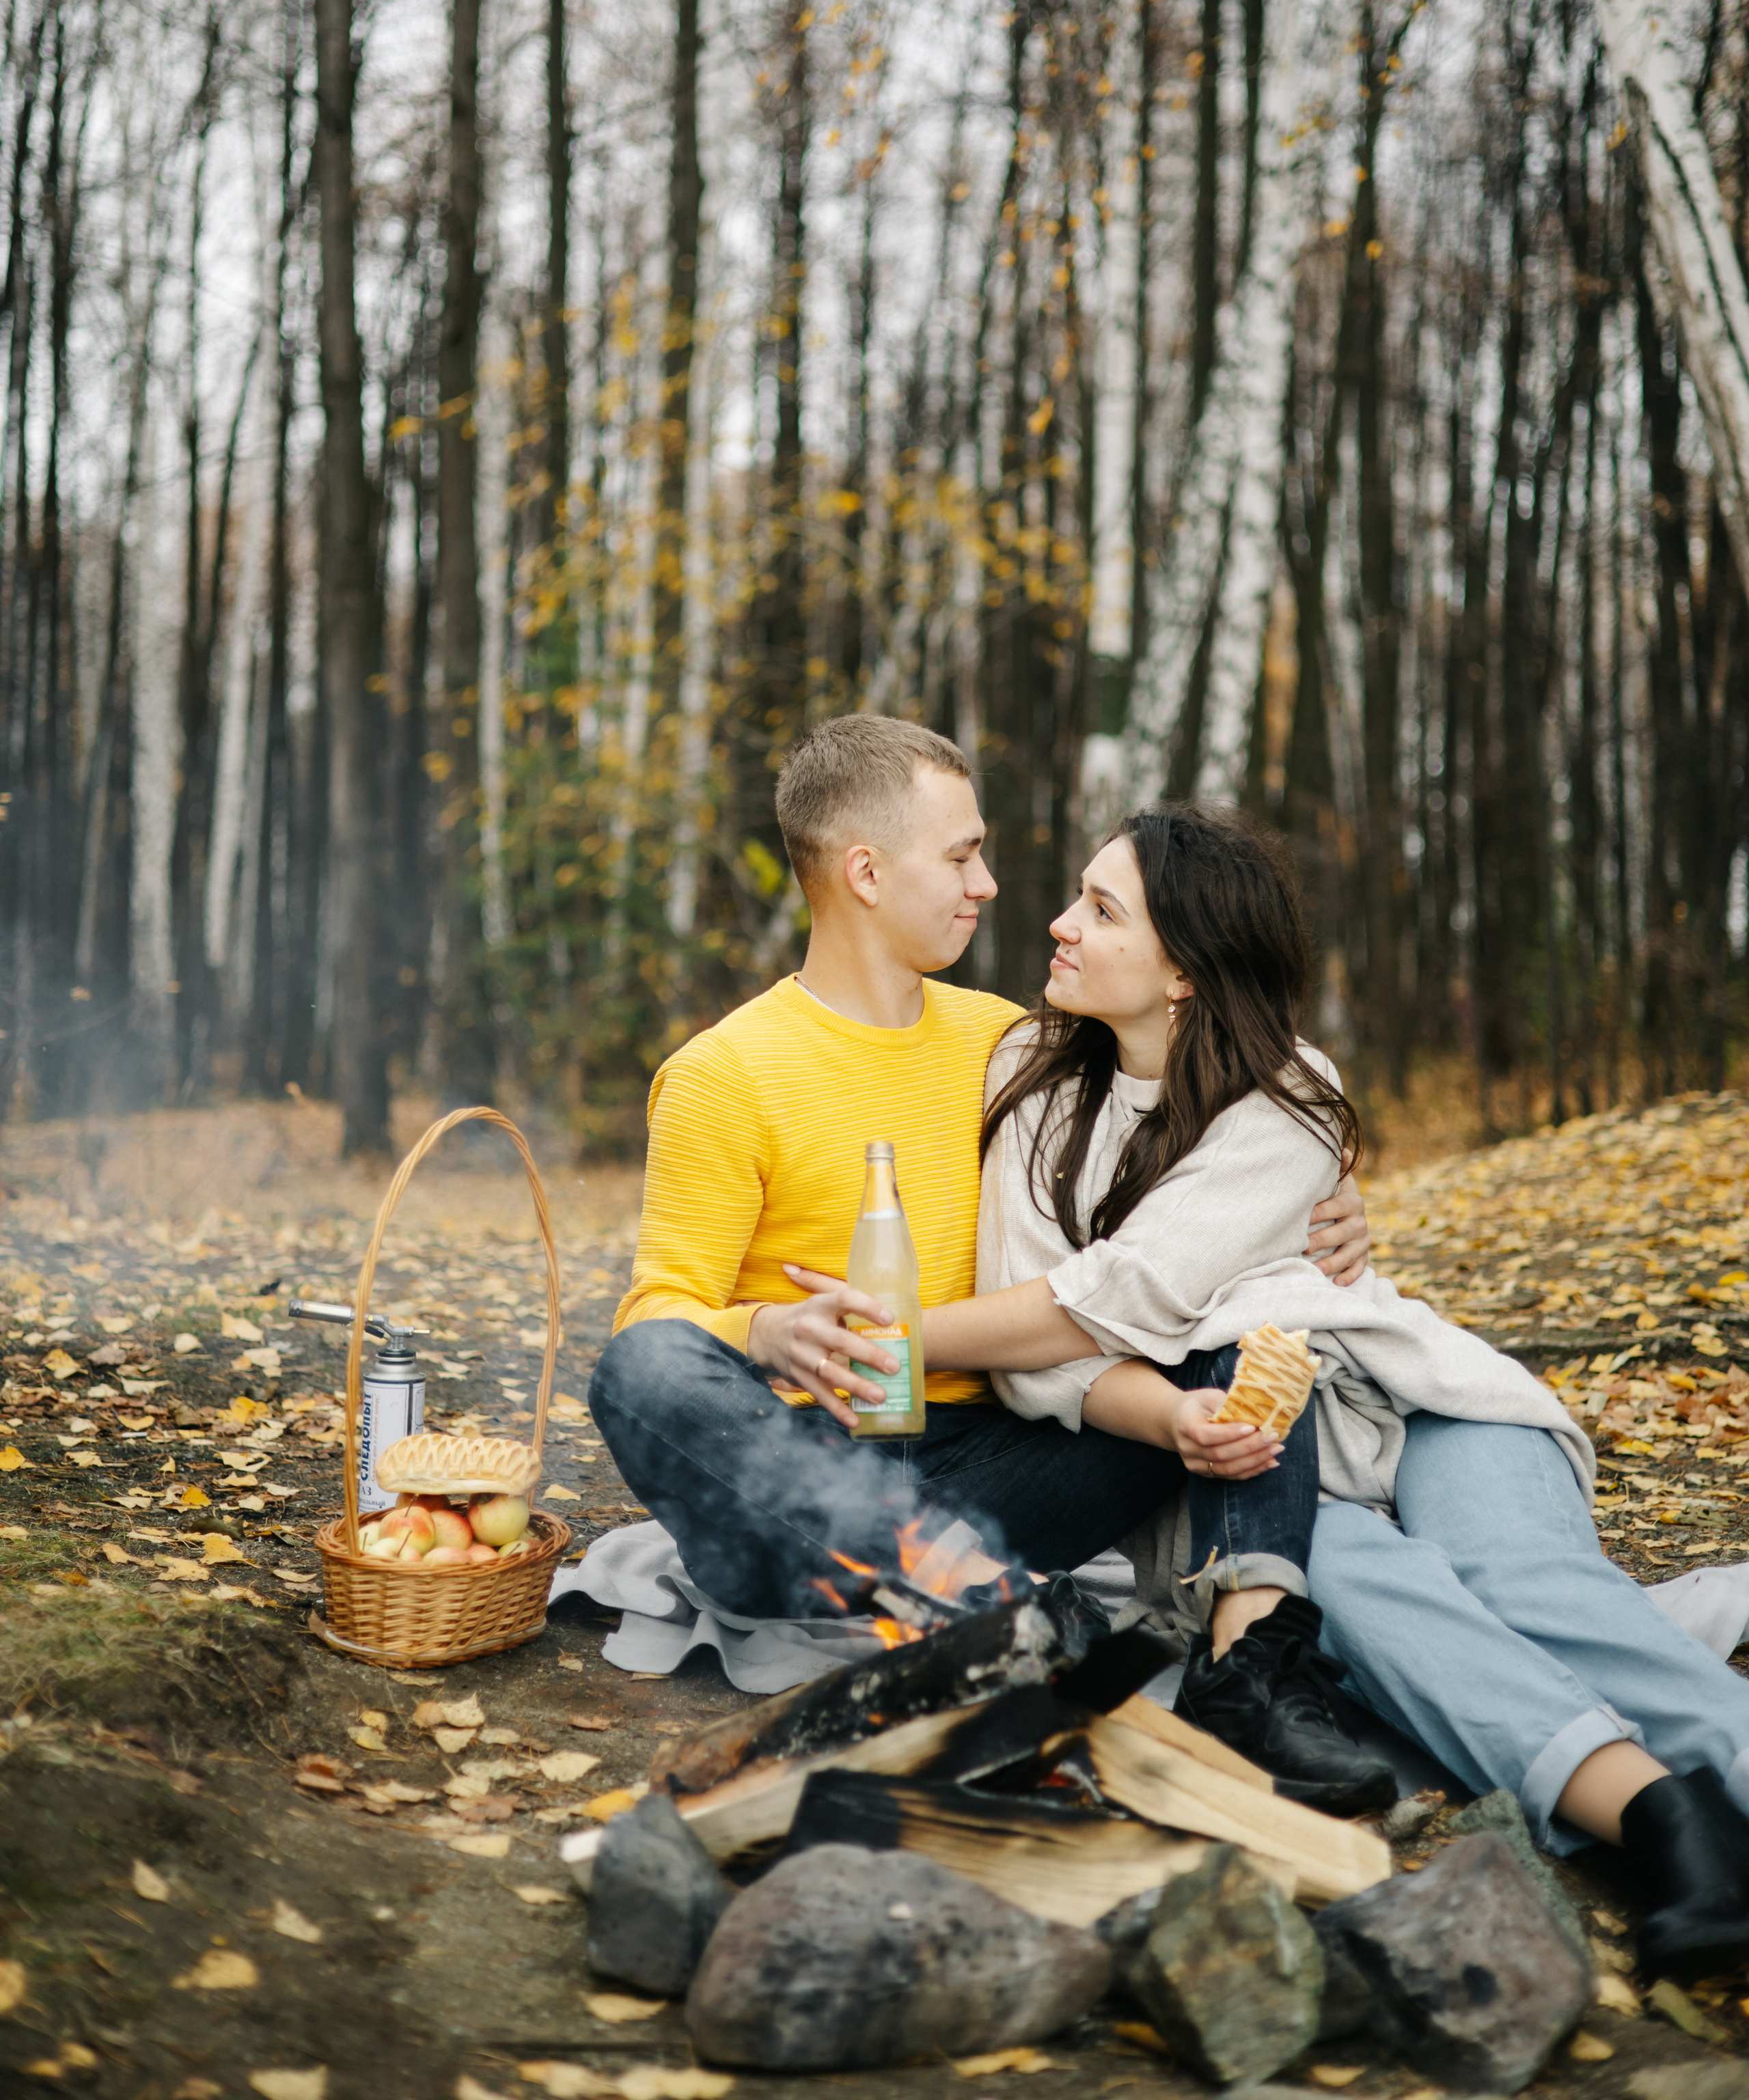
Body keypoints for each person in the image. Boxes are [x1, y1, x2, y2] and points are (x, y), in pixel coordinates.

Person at [939, 800, 1749, 1982]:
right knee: (1379, 1604)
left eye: (1101, 910)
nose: (1058, 924)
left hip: (1417, 1398)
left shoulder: (1288, 1093)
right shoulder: (1033, 1079)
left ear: (1184, 975)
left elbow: (1118, 1296)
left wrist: (896, 1338)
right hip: (1254, 1455)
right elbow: (1040, 1354)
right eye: (1078, 895)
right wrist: (1161, 1409)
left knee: (1529, 1584)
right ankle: (1670, 1825)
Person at [589, 714, 1392, 1808]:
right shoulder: (724, 1074)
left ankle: (1251, 1675)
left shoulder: (1009, 1041)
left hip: (1004, 1462)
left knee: (1241, 1308)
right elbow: (658, 1319)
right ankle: (997, 1615)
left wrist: (1329, 1192)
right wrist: (770, 1331)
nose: (992, 885)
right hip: (802, 1479)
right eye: (963, 854)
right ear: (866, 872)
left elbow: (1205, 1121)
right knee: (639, 1373)